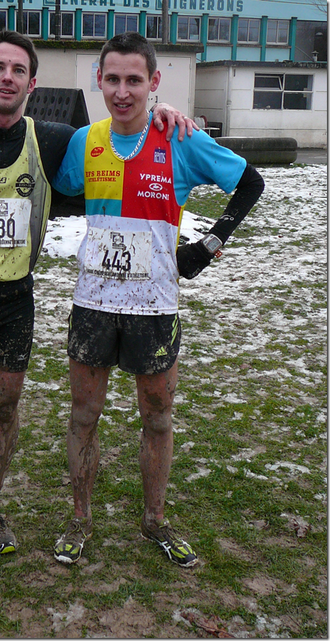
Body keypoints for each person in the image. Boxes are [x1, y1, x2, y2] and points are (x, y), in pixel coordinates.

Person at [0, 29, 195, 580]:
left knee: (5, 409)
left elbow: (116, 131)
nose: (7, 77)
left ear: (32, 81)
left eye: (18, 69)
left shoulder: (50, 138)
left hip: (15, 302)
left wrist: (159, 112)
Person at [52, 32, 265, 568]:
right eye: (113, 79)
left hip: (155, 307)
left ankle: (155, 520)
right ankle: (79, 520)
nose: (123, 92)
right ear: (98, 81)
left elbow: (251, 182)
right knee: (84, 415)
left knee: (158, 419)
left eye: (135, 80)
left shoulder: (181, 139)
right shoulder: (85, 141)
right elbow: (54, 185)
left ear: (154, 82)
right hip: (94, 303)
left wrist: (210, 244)